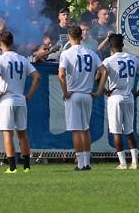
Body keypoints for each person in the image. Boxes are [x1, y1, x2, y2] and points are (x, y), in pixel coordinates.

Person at [0, 32, 40, 174]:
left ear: (0, 44)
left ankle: (12, 167)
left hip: (6, 100)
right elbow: (37, 77)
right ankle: (26, 166)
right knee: (22, 133)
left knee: (7, 133)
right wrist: (29, 95)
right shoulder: (22, 59)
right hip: (20, 99)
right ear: (12, 43)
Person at [58, 26, 105, 171]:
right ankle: (87, 163)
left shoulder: (66, 54)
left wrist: (65, 92)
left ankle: (80, 164)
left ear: (68, 37)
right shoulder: (90, 53)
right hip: (87, 94)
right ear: (81, 37)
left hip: (74, 94)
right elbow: (104, 71)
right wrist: (99, 90)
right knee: (85, 129)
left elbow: (61, 74)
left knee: (76, 130)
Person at [101, 34, 139, 170]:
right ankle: (135, 162)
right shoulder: (132, 58)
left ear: (110, 46)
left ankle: (123, 163)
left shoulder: (108, 61)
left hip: (115, 97)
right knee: (129, 131)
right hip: (129, 97)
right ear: (123, 45)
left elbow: (97, 77)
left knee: (116, 132)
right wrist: (138, 92)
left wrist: (105, 91)